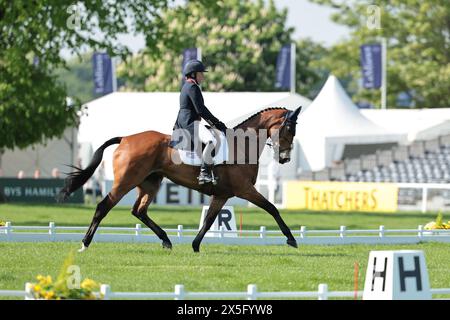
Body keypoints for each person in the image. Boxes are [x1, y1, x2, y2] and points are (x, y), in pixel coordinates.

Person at [171, 60, 228, 184]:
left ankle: (210, 170)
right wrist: (216, 122)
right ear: (193, 74)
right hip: (189, 122)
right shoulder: (192, 87)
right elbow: (200, 109)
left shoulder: (188, 86)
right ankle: (204, 172)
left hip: (188, 120)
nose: (203, 76)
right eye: (201, 73)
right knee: (212, 140)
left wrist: (214, 122)